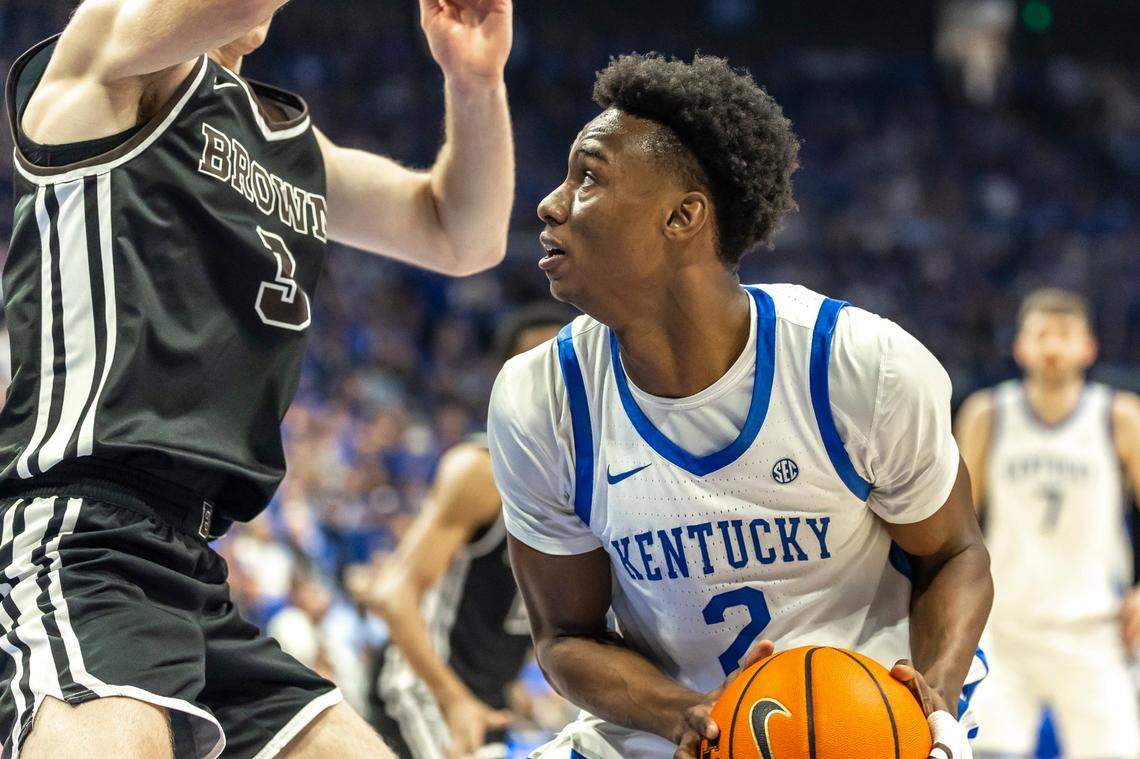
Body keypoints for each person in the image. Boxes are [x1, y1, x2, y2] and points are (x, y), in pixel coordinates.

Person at [0, 0, 513, 757]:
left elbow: (462, 234)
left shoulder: (294, 149)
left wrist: (474, 82)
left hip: (196, 566)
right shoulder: (106, 55)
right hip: (77, 532)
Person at [487, 53, 992, 759]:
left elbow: (955, 554)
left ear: (683, 215)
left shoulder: (853, 365)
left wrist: (931, 694)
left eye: (589, 176)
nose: (550, 201)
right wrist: (691, 714)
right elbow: (564, 637)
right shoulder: (539, 398)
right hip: (669, 731)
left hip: (859, 724)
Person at [349, 305, 572, 759]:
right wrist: (453, 699)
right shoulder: (480, 470)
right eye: (534, 366)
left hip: (486, 698)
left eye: (562, 363)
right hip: (426, 688)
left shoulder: (582, 484)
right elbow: (392, 594)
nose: (551, 381)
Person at [955, 288, 1140, 758]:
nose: (1052, 348)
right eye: (1041, 335)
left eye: (1064, 335)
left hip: (1095, 629)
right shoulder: (987, 414)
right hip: (1004, 627)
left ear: (1088, 347)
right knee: (986, 752)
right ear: (1020, 346)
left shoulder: (1118, 417)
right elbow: (955, 524)